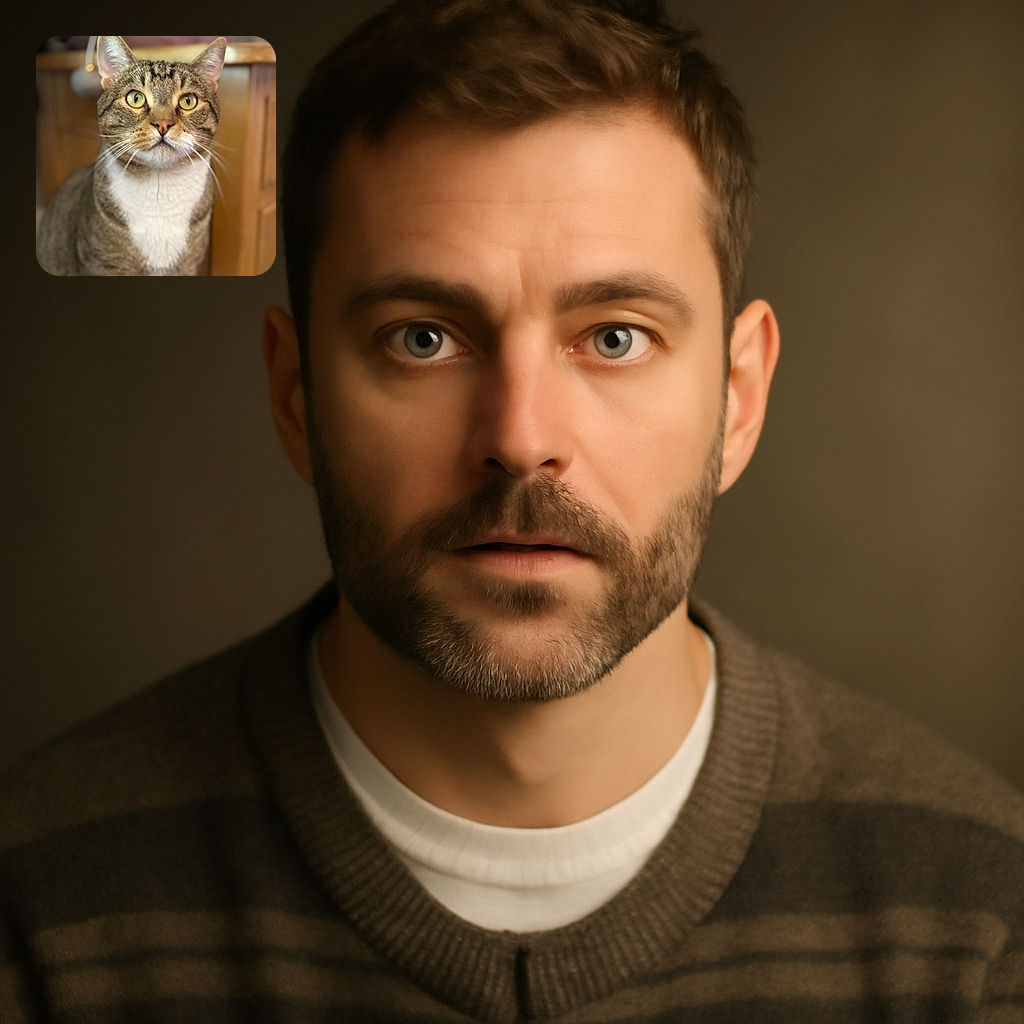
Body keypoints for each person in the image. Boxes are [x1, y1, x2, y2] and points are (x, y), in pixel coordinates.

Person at [3, 0, 1022, 1020]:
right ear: (295, 397)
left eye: (614, 336)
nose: (521, 434)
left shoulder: (977, 913)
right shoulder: (40, 907)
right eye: (422, 338)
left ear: (738, 396)